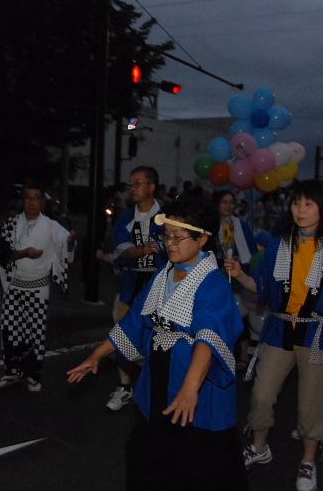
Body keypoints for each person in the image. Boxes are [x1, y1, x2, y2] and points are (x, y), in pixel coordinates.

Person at [68, 197, 248, 491]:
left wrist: (190, 389)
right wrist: (96, 356)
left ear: (203, 239)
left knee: (202, 466)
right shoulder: (162, 275)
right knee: (145, 456)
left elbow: (208, 338)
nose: (171, 243)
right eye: (167, 236)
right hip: (159, 381)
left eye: (179, 237)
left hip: (197, 387)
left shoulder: (213, 283)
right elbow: (135, 322)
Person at [225, 180, 323, 491]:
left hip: (317, 333)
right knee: (261, 394)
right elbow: (262, 288)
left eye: (308, 204)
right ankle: (259, 447)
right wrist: (240, 275)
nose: (299, 210)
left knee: (310, 402)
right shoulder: (280, 244)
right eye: (295, 203)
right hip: (281, 329)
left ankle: (307, 461)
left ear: (321, 210)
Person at [0, 182, 75, 392]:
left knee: (35, 333)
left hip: (38, 288)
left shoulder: (51, 226)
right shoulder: (10, 224)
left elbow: (65, 246)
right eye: (28, 197)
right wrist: (24, 253)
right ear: (23, 201)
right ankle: (12, 372)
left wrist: (71, 241)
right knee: (10, 331)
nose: (31, 202)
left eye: (36, 197)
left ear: (42, 202)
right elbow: (2, 254)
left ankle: (33, 376)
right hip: (14, 287)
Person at [96, 166, 165, 411]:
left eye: (137, 183)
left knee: (160, 334)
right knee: (121, 329)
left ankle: (155, 382)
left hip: (161, 285)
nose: (132, 189)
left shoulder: (167, 216)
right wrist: (142, 250)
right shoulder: (126, 217)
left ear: (151, 187)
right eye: (131, 184)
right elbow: (121, 253)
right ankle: (125, 386)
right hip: (132, 282)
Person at [214, 189, 257, 372]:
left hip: (238, 276)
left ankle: (243, 354)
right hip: (218, 276)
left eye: (231, 202)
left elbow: (252, 252)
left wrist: (241, 263)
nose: (229, 206)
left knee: (241, 315)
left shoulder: (241, 226)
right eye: (224, 202)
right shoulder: (210, 225)